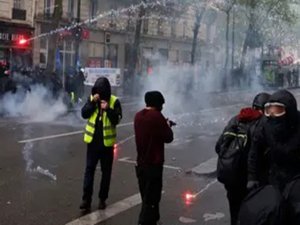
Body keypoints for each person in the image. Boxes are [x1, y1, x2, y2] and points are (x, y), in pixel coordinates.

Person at [215, 92, 270, 225]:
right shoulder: (262, 124)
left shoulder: (236, 119)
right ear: (263, 109)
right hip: (250, 180)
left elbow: (218, 146)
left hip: (231, 178)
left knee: (235, 212)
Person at [80, 77, 122, 211]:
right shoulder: (92, 99)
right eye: (97, 91)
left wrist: (108, 109)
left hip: (107, 144)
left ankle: (102, 199)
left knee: (106, 173)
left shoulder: (114, 101)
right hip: (92, 143)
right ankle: (86, 199)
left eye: (101, 92)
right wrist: (93, 102)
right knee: (89, 171)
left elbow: (117, 119)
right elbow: (84, 113)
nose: (99, 94)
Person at [134, 91, 174, 225]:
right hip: (154, 165)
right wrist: (167, 125)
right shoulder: (157, 117)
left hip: (140, 164)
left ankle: (154, 220)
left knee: (146, 197)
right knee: (152, 200)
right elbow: (168, 137)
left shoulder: (138, 116)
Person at [248, 89, 300, 191]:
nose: (273, 115)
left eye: (278, 110)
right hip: (276, 173)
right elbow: (255, 151)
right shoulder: (265, 124)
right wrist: (252, 177)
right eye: (269, 111)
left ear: (289, 111)